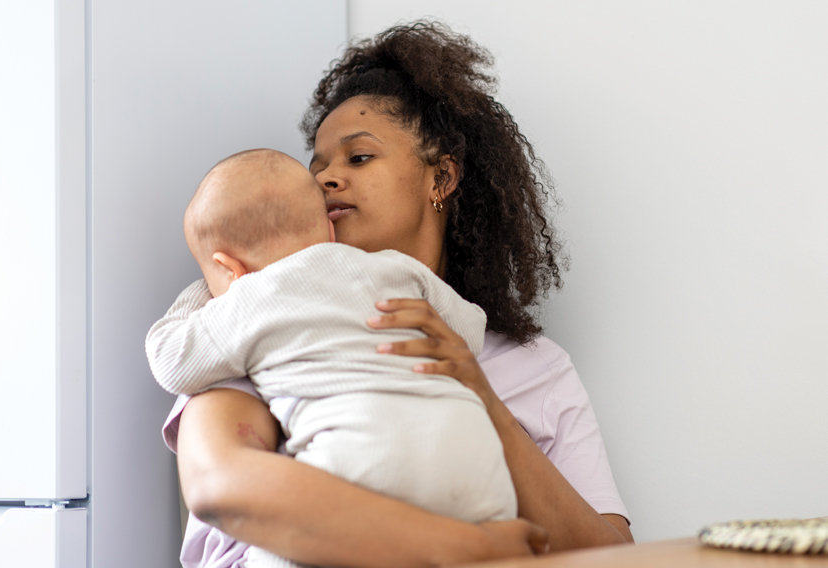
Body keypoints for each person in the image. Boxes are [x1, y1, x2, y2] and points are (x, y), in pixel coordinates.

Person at [163, 21, 633, 568]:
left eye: (358, 158)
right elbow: (223, 488)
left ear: (442, 178)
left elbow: (615, 559)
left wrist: (480, 397)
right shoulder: (265, 318)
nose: (327, 180)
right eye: (317, 168)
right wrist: (457, 546)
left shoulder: (538, 369)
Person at [147, 148, 520, 568]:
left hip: (355, 472)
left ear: (230, 268)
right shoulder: (397, 269)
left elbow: (168, 357)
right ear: (329, 229)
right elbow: (470, 335)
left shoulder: (250, 299)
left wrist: (205, 291)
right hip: (478, 478)